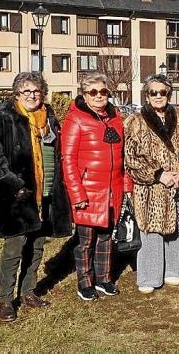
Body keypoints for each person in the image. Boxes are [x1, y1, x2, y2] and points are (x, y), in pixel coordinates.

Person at [0, 73, 72, 322]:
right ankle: (5, 300)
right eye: (27, 91)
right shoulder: (5, 117)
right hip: (17, 195)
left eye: (37, 91)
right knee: (15, 247)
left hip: (46, 191)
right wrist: (14, 184)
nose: (32, 95)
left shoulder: (49, 116)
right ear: (17, 94)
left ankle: (28, 292)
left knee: (37, 244)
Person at [61, 73, 129, 301]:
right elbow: (68, 160)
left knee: (106, 237)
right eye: (93, 92)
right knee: (86, 241)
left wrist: (126, 186)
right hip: (88, 191)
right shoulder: (75, 119)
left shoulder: (116, 117)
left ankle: (104, 279)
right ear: (84, 95)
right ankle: (85, 282)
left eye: (103, 92)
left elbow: (123, 156)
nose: (99, 96)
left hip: (113, 189)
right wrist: (77, 193)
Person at [124, 74, 179, 293]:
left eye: (163, 92)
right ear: (147, 94)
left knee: (176, 227)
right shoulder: (135, 121)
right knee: (151, 230)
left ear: (169, 94)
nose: (158, 96)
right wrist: (158, 174)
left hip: (177, 183)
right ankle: (149, 276)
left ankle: (173, 270)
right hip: (150, 186)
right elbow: (131, 157)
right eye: (153, 92)